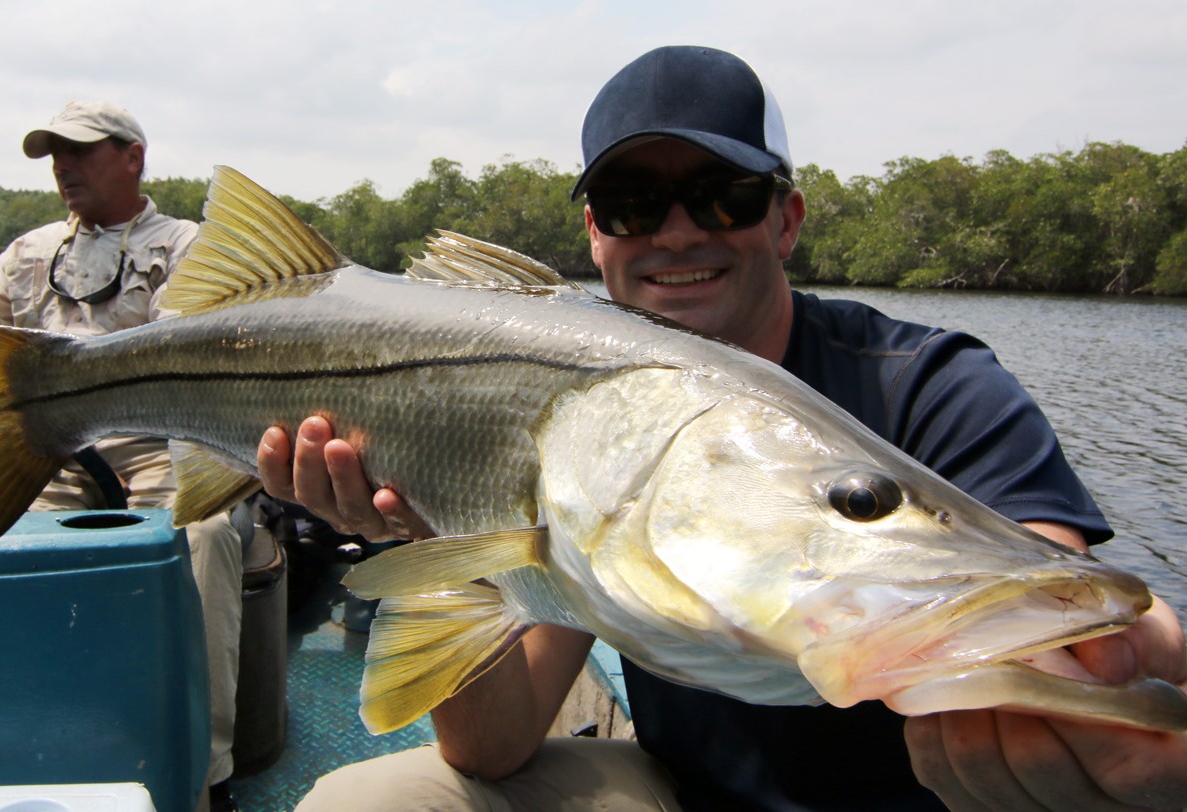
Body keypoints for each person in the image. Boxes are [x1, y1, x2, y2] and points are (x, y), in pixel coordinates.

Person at [257, 46, 1187, 811]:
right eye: (632, 205)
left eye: (723, 195)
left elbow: (1051, 596)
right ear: (595, 237)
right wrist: (431, 547)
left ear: (786, 220)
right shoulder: (592, 435)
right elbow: (493, 749)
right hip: (680, 793)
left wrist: (1119, 663)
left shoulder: (935, 386)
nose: (676, 233)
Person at [0, 101, 243, 812]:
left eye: (81, 150)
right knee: (1, 543)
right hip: (50, 451)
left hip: (162, 445)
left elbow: (187, 355)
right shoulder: (27, 252)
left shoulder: (189, 244)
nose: (64, 166)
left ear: (133, 156)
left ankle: (203, 769)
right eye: (54, 154)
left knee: (206, 538)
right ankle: (20, 744)